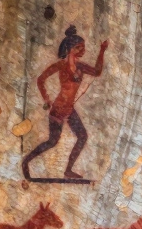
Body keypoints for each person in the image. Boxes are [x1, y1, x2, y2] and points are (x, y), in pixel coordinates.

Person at [21, 26, 106, 184]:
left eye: (83, 47)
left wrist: (102, 51)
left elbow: (97, 72)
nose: (82, 50)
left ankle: (68, 170)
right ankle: (26, 160)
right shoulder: (61, 66)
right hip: (58, 109)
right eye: (78, 47)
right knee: (52, 142)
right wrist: (46, 98)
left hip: (69, 109)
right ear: (70, 49)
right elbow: (40, 79)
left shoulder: (80, 67)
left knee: (82, 136)